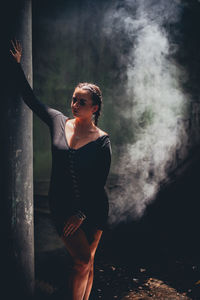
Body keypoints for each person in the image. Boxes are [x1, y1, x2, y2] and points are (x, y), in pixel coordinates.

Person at [10, 39, 112, 300]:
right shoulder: (58, 121)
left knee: (87, 263)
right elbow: (31, 99)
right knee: (81, 261)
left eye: (82, 102)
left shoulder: (102, 141)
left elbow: (98, 183)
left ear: (94, 108)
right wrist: (17, 66)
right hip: (61, 204)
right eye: (74, 99)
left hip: (93, 208)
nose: (75, 105)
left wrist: (82, 213)